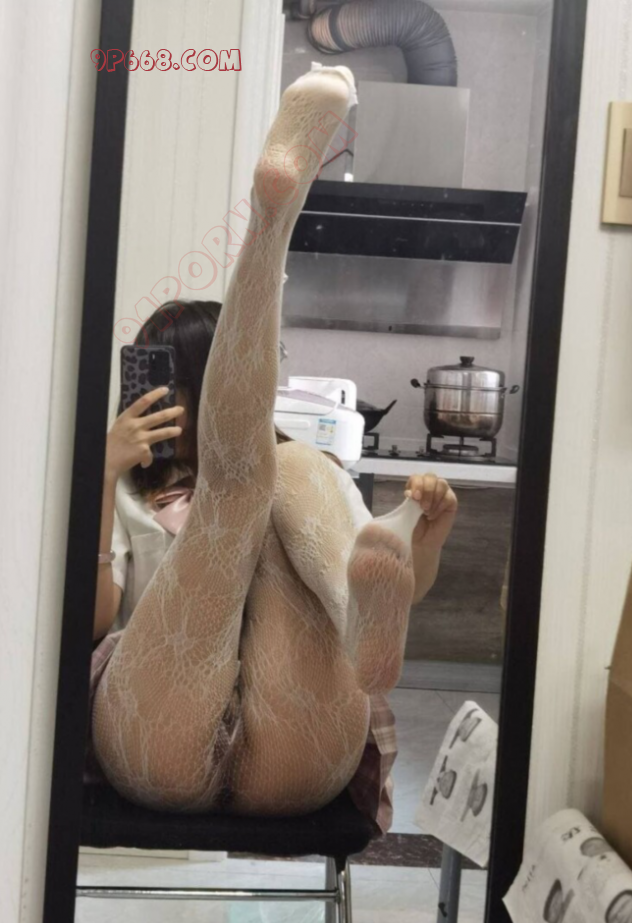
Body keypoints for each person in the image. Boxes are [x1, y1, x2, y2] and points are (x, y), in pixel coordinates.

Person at [89, 64, 459, 832]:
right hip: (163, 714)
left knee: (276, 473)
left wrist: (427, 538)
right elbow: (94, 622)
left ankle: (271, 218)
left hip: (291, 729)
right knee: (240, 492)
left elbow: (403, 589)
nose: (159, 395)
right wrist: (102, 477)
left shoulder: (307, 475)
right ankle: (272, 219)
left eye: (177, 375)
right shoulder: (122, 485)